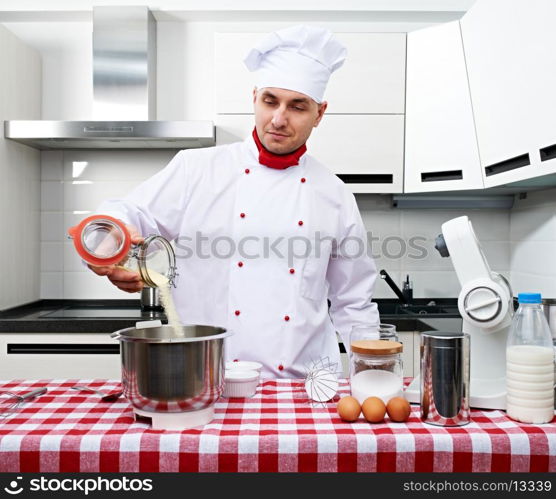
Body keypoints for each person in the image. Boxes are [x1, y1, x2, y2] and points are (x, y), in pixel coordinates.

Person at [89, 25, 380, 378]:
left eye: (298, 107)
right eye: (270, 101)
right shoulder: (196, 170)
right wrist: (105, 245)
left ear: (320, 113)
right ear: (254, 97)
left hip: (304, 385)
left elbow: (354, 303)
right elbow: (129, 213)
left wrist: (373, 377)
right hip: (208, 377)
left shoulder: (334, 195)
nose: (278, 119)